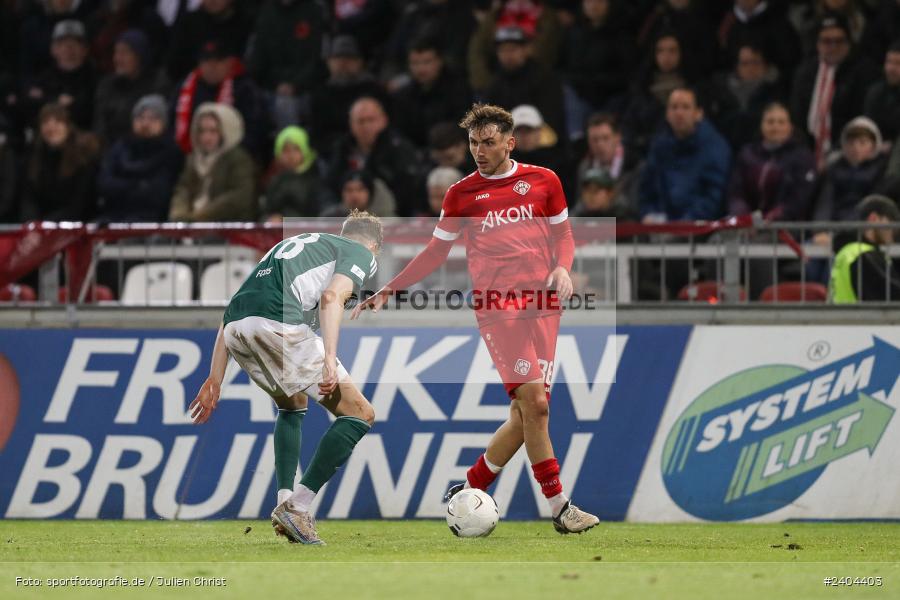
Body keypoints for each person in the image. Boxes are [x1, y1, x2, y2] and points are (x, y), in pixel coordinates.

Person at [352, 103, 600, 534]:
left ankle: (468, 486)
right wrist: (390, 288)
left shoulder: (544, 182)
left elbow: (563, 235)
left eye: (488, 143)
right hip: (497, 307)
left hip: (543, 307)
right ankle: (560, 507)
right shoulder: (462, 195)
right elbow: (435, 251)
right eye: (473, 143)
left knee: (526, 416)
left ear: (510, 142)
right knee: (536, 405)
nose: (479, 151)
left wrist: (562, 266)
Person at [190, 211, 382, 545]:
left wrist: (215, 378)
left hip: (236, 330)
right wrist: (329, 362)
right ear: (374, 247)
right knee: (360, 414)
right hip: (277, 326)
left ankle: (284, 502)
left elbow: (232, 311)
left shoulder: (294, 246)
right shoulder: (360, 253)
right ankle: (298, 507)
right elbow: (331, 298)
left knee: (292, 402)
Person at [790, 15, 880, 169]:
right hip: (808, 151)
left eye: (839, 41)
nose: (832, 46)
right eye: (826, 41)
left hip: (849, 153)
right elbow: (796, 115)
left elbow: (863, 120)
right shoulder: (806, 72)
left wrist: (838, 152)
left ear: (849, 42)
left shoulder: (865, 72)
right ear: (817, 43)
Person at [639, 87, 731, 222]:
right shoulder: (659, 146)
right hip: (660, 226)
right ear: (667, 114)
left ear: (698, 113)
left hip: (700, 229)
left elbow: (714, 195)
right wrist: (647, 213)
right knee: (607, 228)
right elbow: (646, 190)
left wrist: (685, 223)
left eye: (685, 107)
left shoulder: (715, 147)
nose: (679, 113)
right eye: (674, 107)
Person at [325, 96, 421, 216]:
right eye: (360, 121)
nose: (366, 126)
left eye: (371, 120)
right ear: (351, 124)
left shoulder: (399, 148)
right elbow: (330, 184)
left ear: (384, 120)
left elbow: (408, 190)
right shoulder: (342, 148)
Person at [173, 41, 268, 159]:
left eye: (218, 61)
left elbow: (255, 132)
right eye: (207, 61)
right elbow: (171, 124)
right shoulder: (185, 87)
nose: (212, 67)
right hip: (188, 155)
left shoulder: (245, 89)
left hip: (230, 157)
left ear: (229, 62)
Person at [96, 94, 183, 222]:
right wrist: (137, 186)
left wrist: (123, 188)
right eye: (140, 117)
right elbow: (104, 184)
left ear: (164, 123)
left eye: (153, 118)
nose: (145, 123)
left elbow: (159, 194)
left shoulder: (171, 152)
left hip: (152, 221)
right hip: (112, 217)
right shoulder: (120, 147)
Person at [728, 102, 817, 222]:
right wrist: (745, 218)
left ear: (790, 126)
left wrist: (770, 219)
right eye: (770, 122)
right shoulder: (747, 153)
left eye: (781, 122)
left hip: (785, 227)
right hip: (746, 225)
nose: (775, 127)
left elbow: (798, 199)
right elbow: (735, 192)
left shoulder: (803, 157)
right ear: (761, 125)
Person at [168, 103, 256, 222]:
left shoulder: (238, 159)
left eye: (213, 131)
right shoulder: (193, 159)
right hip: (191, 224)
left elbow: (238, 197)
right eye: (202, 131)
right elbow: (183, 189)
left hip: (228, 228)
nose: (206, 137)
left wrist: (197, 218)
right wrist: (178, 214)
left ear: (225, 131)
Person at [21, 103, 100, 221]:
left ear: (68, 126)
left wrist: (46, 225)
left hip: (78, 224)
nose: (51, 127)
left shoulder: (84, 155)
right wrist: (32, 223)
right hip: (43, 225)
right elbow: (29, 197)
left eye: (58, 122)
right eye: (45, 122)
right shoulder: (35, 155)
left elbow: (80, 203)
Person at [389, 37, 472, 147]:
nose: (421, 69)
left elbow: (463, 126)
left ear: (439, 61)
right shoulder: (403, 95)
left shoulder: (459, 90)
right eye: (415, 63)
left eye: (427, 62)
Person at [93, 29, 168, 145]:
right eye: (116, 52)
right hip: (112, 151)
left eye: (124, 53)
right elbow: (100, 126)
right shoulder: (107, 85)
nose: (117, 59)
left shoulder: (158, 84)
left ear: (140, 56)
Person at [24, 19, 97, 130]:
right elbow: (30, 107)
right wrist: (57, 101)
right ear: (53, 49)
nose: (68, 47)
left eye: (75, 42)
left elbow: (87, 112)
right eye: (62, 42)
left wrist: (46, 100)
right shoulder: (43, 78)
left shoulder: (95, 79)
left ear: (85, 49)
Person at [829, 195, 900, 302]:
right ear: (874, 219)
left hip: (847, 317)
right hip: (860, 318)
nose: (893, 231)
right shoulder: (863, 255)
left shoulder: (849, 251)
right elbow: (890, 294)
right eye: (891, 222)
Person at [263, 125, 332, 221]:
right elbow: (267, 210)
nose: (291, 155)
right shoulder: (275, 179)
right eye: (285, 150)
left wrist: (286, 221)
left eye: (296, 149)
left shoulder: (315, 178)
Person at [863, 40, 900, 143]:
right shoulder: (876, 92)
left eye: (898, 63)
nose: (891, 68)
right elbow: (868, 128)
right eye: (889, 62)